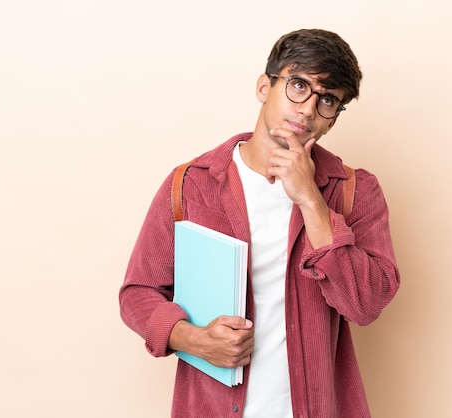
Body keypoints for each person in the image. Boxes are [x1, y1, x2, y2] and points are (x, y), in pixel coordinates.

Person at [119, 28, 400, 417]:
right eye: (298, 85)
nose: (307, 109)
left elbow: (366, 304)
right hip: (213, 407)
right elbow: (138, 292)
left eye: (328, 100)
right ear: (264, 86)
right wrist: (193, 339)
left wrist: (310, 200)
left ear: (333, 119)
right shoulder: (191, 183)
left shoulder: (355, 191)